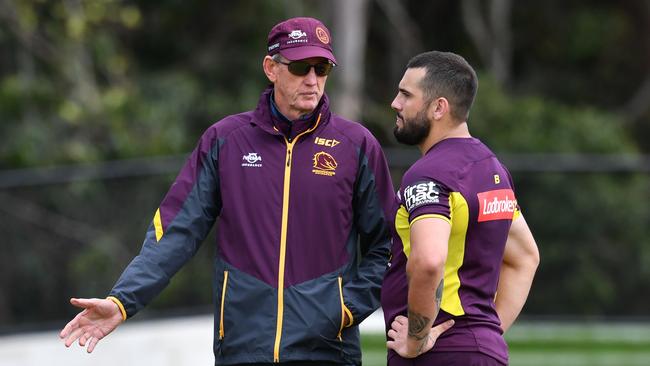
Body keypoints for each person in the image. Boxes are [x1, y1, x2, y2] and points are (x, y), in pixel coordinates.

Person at [59, 17, 395, 366]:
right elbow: (176, 232)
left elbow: (387, 244)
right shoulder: (225, 140)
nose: (312, 80)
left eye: (322, 67)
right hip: (242, 347)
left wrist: (345, 308)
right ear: (271, 68)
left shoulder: (356, 145)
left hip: (329, 351)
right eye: (299, 67)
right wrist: (122, 301)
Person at [381, 51, 540, 366]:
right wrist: (485, 335)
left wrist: (415, 339)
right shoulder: (493, 170)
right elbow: (526, 257)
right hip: (483, 353)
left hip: (435, 355)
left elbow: (428, 261)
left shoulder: (427, 174)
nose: (395, 104)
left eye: (406, 95)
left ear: (439, 107)